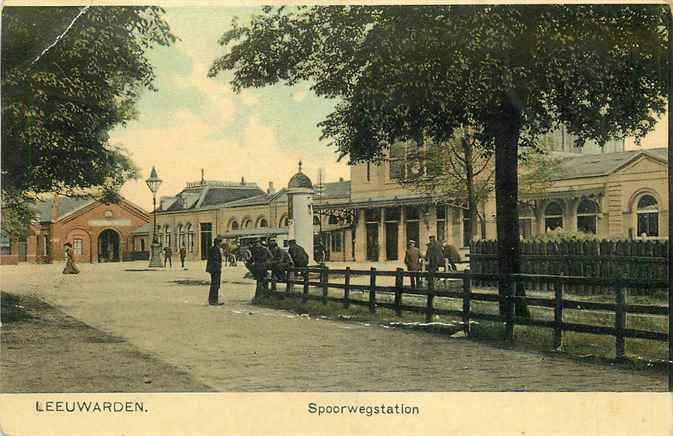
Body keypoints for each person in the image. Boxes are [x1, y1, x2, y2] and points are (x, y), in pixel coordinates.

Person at [205, 238, 223, 305]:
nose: (221, 244)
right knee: (216, 285)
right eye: (220, 243)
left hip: (212, 269)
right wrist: (219, 267)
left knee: (214, 284)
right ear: (218, 243)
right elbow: (215, 260)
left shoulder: (212, 248)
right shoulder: (215, 249)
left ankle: (212, 300)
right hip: (215, 269)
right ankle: (214, 301)